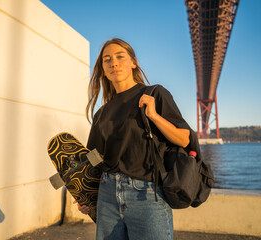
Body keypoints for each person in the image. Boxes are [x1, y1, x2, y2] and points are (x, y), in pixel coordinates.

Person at [77, 38, 191, 240]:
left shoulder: (154, 94)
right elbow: (93, 159)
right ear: (103, 69)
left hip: (146, 195)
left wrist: (154, 116)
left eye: (120, 57)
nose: (114, 63)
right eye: (107, 59)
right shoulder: (101, 113)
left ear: (133, 62)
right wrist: (85, 195)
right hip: (107, 195)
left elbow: (183, 139)